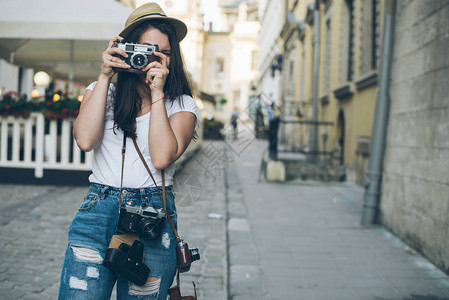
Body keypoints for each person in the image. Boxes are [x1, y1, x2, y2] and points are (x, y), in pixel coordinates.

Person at [58, 3, 197, 299]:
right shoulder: (101, 91)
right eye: (145, 49)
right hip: (99, 209)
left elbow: (161, 158)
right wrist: (106, 75)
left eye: (162, 52)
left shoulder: (181, 104)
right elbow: (84, 140)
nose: (151, 59)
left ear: (172, 58)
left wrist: (157, 93)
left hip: (153, 216)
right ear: (125, 47)